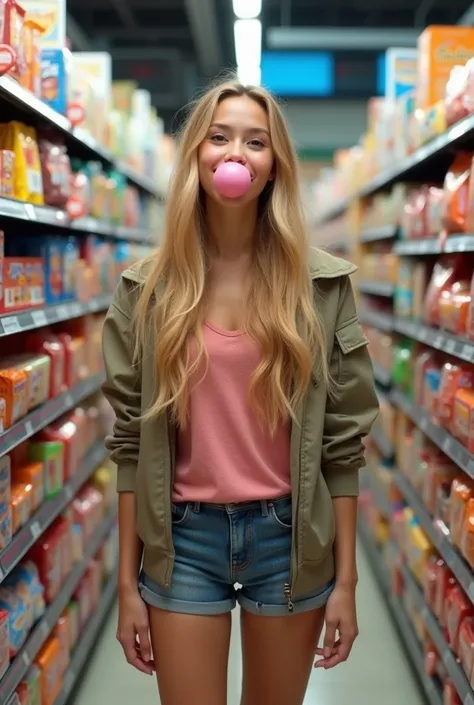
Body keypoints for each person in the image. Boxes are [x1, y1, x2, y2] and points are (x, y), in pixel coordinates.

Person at [101, 78, 379, 705]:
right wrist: (125, 585)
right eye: (219, 137)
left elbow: (342, 444)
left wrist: (347, 582)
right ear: (196, 153)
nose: (236, 154)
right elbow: (130, 443)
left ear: (275, 164)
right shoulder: (146, 290)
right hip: (183, 538)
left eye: (256, 142)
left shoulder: (320, 287)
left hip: (289, 537)